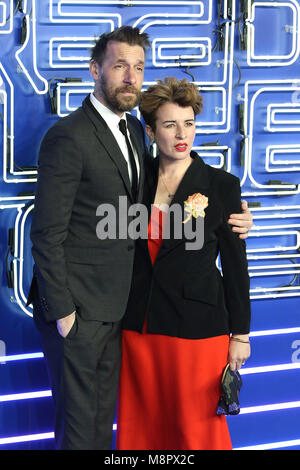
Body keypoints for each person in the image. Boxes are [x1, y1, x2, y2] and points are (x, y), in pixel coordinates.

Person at [26, 26, 252, 450]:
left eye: (138, 67)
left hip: (155, 322)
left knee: (136, 430)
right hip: (91, 316)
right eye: (119, 66)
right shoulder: (70, 136)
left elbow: (223, 257)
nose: (130, 76)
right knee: (89, 432)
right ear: (96, 70)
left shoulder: (134, 136)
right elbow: (46, 232)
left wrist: (236, 220)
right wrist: (64, 314)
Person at [116, 77, 251, 450]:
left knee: (197, 432)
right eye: (170, 124)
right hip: (140, 327)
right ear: (150, 130)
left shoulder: (222, 185)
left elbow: (237, 268)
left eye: (188, 123)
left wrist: (240, 334)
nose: (182, 134)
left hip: (198, 330)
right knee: (142, 429)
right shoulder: (134, 179)